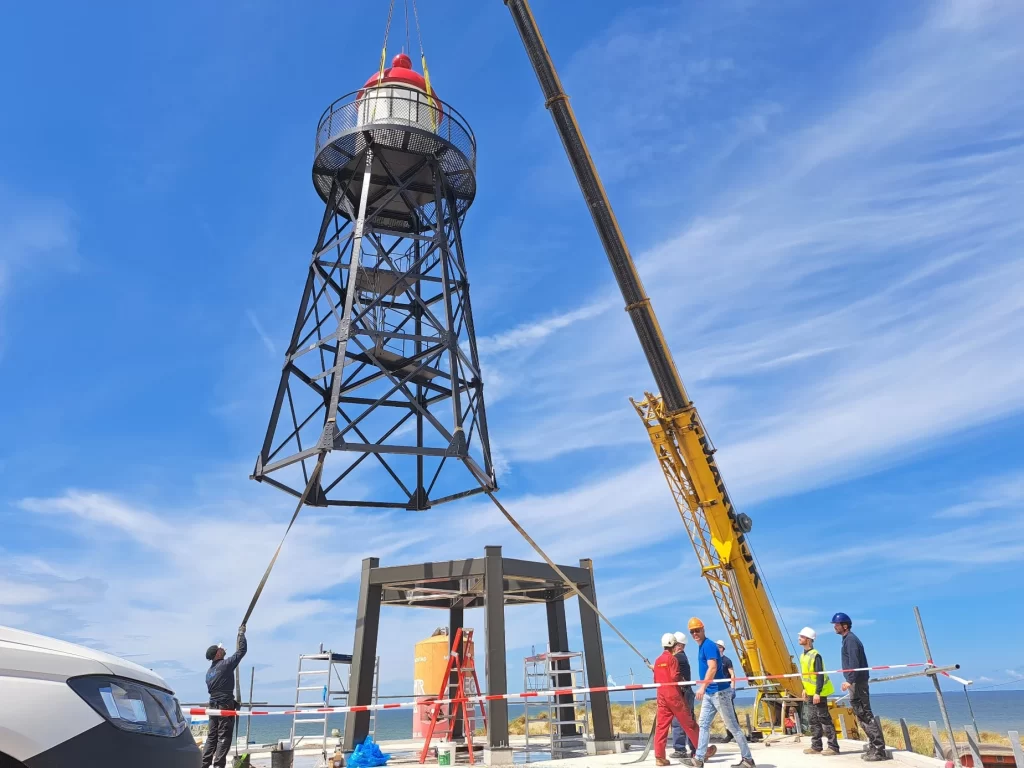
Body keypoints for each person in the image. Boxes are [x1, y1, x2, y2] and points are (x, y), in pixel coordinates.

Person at [683, 618, 754, 768]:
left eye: (697, 630)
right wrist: (705, 688)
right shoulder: (703, 646)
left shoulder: (708, 645)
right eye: (692, 631)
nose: (695, 633)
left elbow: (713, 668)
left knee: (733, 727)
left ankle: (748, 759)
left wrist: (702, 686)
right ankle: (699, 758)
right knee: (703, 724)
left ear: (703, 630)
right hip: (710, 693)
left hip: (719, 693)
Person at [832, 612, 888, 761]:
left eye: (837, 625)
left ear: (845, 626)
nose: (835, 627)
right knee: (861, 714)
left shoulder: (850, 640)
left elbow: (854, 662)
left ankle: (879, 750)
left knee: (865, 714)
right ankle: (873, 746)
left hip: (857, 682)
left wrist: (850, 680)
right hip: (855, 682)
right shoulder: (847, 640)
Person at [654, 632, 705, 767]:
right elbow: (675, 676)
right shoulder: (672, 659)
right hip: (674, 696)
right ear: (673, 644)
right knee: (689, 723)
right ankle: (702, 751)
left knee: (661, 727)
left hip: (661, 697)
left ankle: (659, 757)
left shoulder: (657, 660)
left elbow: (656, 680)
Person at [202, 625, 247, 768]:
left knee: (212, 736)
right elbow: (241, 651)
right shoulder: (225, 665)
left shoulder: (209, 672)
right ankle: (218, 766)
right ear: (217, 654)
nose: (222, 649)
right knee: (224, 736)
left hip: (213, 705)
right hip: (224, 704)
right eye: (220, 649)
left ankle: (203, 764)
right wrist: (241, 635)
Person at [797, 627, 839, 756]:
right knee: (812, 719)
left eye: (802, 636)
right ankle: (816, 746)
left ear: (809, 640)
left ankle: (833, 747)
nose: (799, 638)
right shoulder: (803, 656)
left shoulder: (816, 655)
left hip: (819, 693)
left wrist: (817, 693)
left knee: (824, 718)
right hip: (810, 692)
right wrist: (804, 689)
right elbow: (806, 676)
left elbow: (819, 675)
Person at [670, 631, 697, 759]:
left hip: (684, 693)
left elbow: (667, 666)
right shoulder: (681, 657)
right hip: (686, 692)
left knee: (679, 721)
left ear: (679, 645)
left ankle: (681, 750)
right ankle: (695, 749)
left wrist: (657, 666)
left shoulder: (678, 657)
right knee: (688, 721)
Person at [716, 639, 737, 743]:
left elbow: (732, 674)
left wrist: (733, 688)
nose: (717, 648)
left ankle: (736, 734)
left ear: (722, 648)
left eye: (719, 647)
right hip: (717, 689)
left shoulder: (727, 661)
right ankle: (729, 735)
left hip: (726, 689)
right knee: (723, 714)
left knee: (730, 712)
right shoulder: (714, 661)